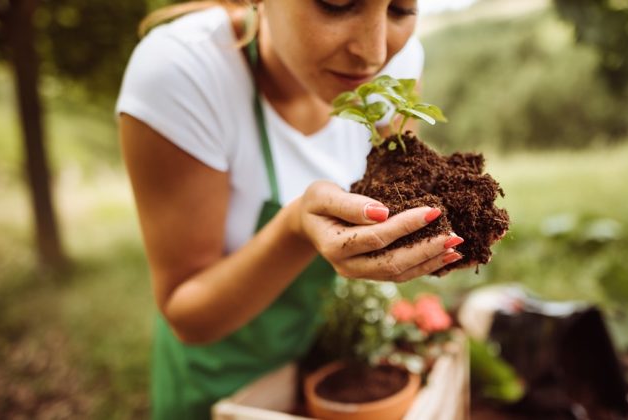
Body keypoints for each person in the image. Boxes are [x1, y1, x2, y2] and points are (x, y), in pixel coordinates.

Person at [116, 1, 468, 418]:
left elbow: (402, 181)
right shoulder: (182, 71)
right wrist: (296, 229)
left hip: (323, 365)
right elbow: (187, 316)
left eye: (400, 9)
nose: (373, 53)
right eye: (337, 4)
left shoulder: (399, 62)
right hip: (221, 383)